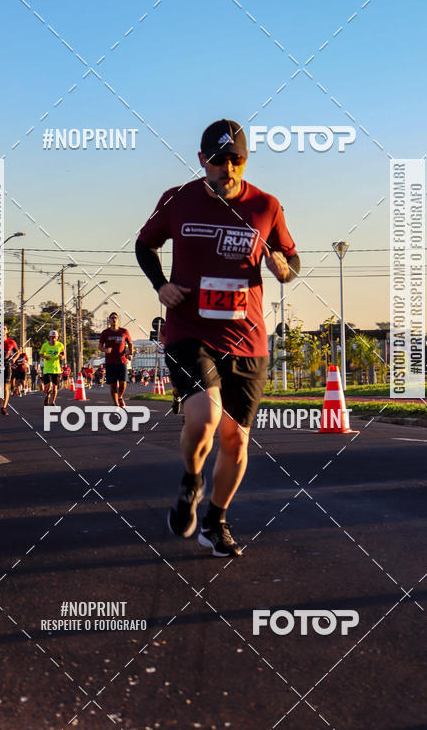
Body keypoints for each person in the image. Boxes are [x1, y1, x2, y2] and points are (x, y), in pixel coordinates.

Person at [136, 119, 300, 557]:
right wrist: (160, 285)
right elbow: (144, 245)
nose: (227, 169)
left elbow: (290, 256)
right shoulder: (177, 200)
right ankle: (191, 480)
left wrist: (284, 268)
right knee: (205, 418)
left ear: (243, 162)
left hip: (247, 339)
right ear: (202, 161)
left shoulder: (266, 205)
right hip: (190, 330)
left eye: (236, 161)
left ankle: (216, 520)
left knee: (235, 439)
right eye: (218, 160)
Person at [98, 313, 134, 407]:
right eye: (112, 318)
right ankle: (116, 403)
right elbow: (100, 346)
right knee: (113, 385)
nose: (114, 319)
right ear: (109, 320)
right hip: (110, 362)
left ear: (117, 320)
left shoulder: (124, 331)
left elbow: (130, 343)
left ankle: (120, 396)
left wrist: (130, 354)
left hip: (122, 361)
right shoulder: (105, 333)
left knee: (123, 383)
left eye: (115, 318)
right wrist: (105, 350)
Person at [0, 325, 20, 415]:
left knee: (5, 387)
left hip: (7, 365)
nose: (2, 330)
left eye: (4, 329)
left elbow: (18, 352)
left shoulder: (11, 342)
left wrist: (14, 359)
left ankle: (3, 407)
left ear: (7, 331)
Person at [39, 329, 65, 405]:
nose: (53, 339)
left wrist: (61, 357)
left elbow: (63, 355)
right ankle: (47, 396)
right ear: (49, 337)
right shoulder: (45, 345)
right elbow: (41, 354)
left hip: (56, 369)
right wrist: (45, 357)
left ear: (57, 337)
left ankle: (53, 402)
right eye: (52, 337)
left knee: (55, 388)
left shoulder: (60, 345)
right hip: (47, 369)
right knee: (49, 385)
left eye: (55, 337)